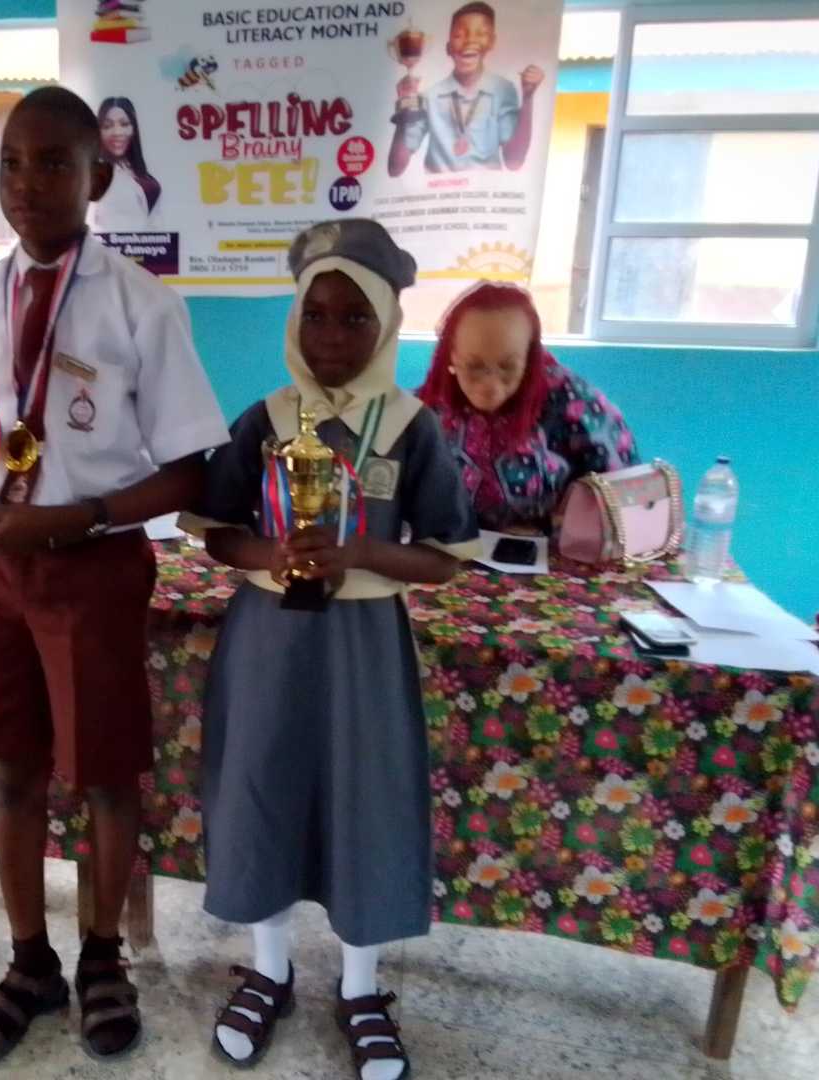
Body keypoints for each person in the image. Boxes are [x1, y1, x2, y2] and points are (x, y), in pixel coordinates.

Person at [0, 86, 228, 1067]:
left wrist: (79, 515)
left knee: (101, 772)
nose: (27, 183)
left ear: (99, 177)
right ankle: (29, 964)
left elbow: (190, 470)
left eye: (54, 162)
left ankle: (103, 956)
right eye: (11, 162)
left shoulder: (144, 306)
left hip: (94, 567)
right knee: (10, 770)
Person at [191, 218, 478, 1080]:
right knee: (261, 788)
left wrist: (357, 552)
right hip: (270, 641)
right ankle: (268, 969)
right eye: (315, 314)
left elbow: (444, 559)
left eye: (356, 318)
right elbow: (216, 532)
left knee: (367, 801)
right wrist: (270, 552)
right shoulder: (267, 419)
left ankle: (360, 987)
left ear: (387, 324)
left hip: (363, 649)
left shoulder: (413, 428)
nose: (332, 335)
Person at [418, 281, 639, 531]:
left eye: (508, 367)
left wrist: (556, 530)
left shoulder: (574, 403)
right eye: (474, 367)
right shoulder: (428, 407)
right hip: (452, 547)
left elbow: (622, 496)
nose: (491, 386)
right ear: (452, 355)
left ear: (530, 357)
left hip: (554, 549)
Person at [388, 2, 544, 177]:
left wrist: (528, 98)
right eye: (459, 35)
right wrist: (404, 111)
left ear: (492, 42)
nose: (470, 41)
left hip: (486, 191)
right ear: (448, 47)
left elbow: (514, 162)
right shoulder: (430, 97)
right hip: (440, 190)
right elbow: (395, 169)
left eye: (481, 34)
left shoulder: (503, 90)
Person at [91, 97, 163, 232]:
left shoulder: (150, 185)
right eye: (107, 126)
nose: (117, 132)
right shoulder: (90, 179)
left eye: (124, 124)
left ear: (133, 128)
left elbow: (156, 234)